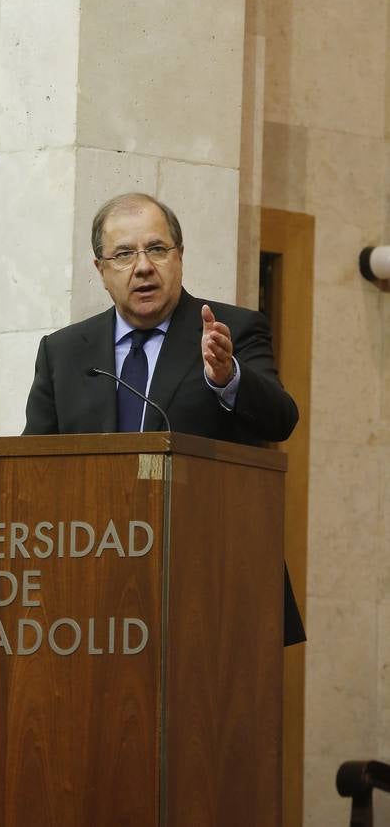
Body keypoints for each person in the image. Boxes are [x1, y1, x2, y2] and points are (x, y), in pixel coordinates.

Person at [23, 192, 305, 644]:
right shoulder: (63, 352)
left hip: (213, 585)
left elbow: (280, 419)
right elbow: (31, 468)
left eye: (157, 249)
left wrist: (229, 376)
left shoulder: (231, 330)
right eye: (123, 254)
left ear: (179, 257)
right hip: (91, 596)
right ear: (101, 270)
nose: (143, 266)